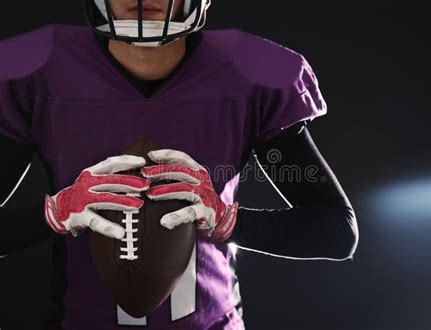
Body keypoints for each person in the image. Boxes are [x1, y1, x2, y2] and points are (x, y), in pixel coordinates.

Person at [0, 0, 359, 328]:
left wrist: (226, 219)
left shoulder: (251, 72)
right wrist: (54, 213)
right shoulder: (37, 71)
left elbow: (336, 231)